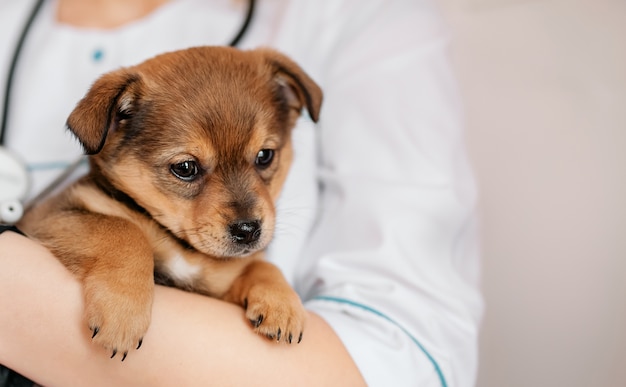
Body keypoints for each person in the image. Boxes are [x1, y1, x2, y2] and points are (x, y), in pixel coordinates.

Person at [0, 0, 483, 386]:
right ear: (114, 130)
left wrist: (261, 279)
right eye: (187, 169)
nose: (246, 213)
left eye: (264, 158)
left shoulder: (362, 17)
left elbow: (402, 357)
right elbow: (51, 224)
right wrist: (120, 260)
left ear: (293, 108)